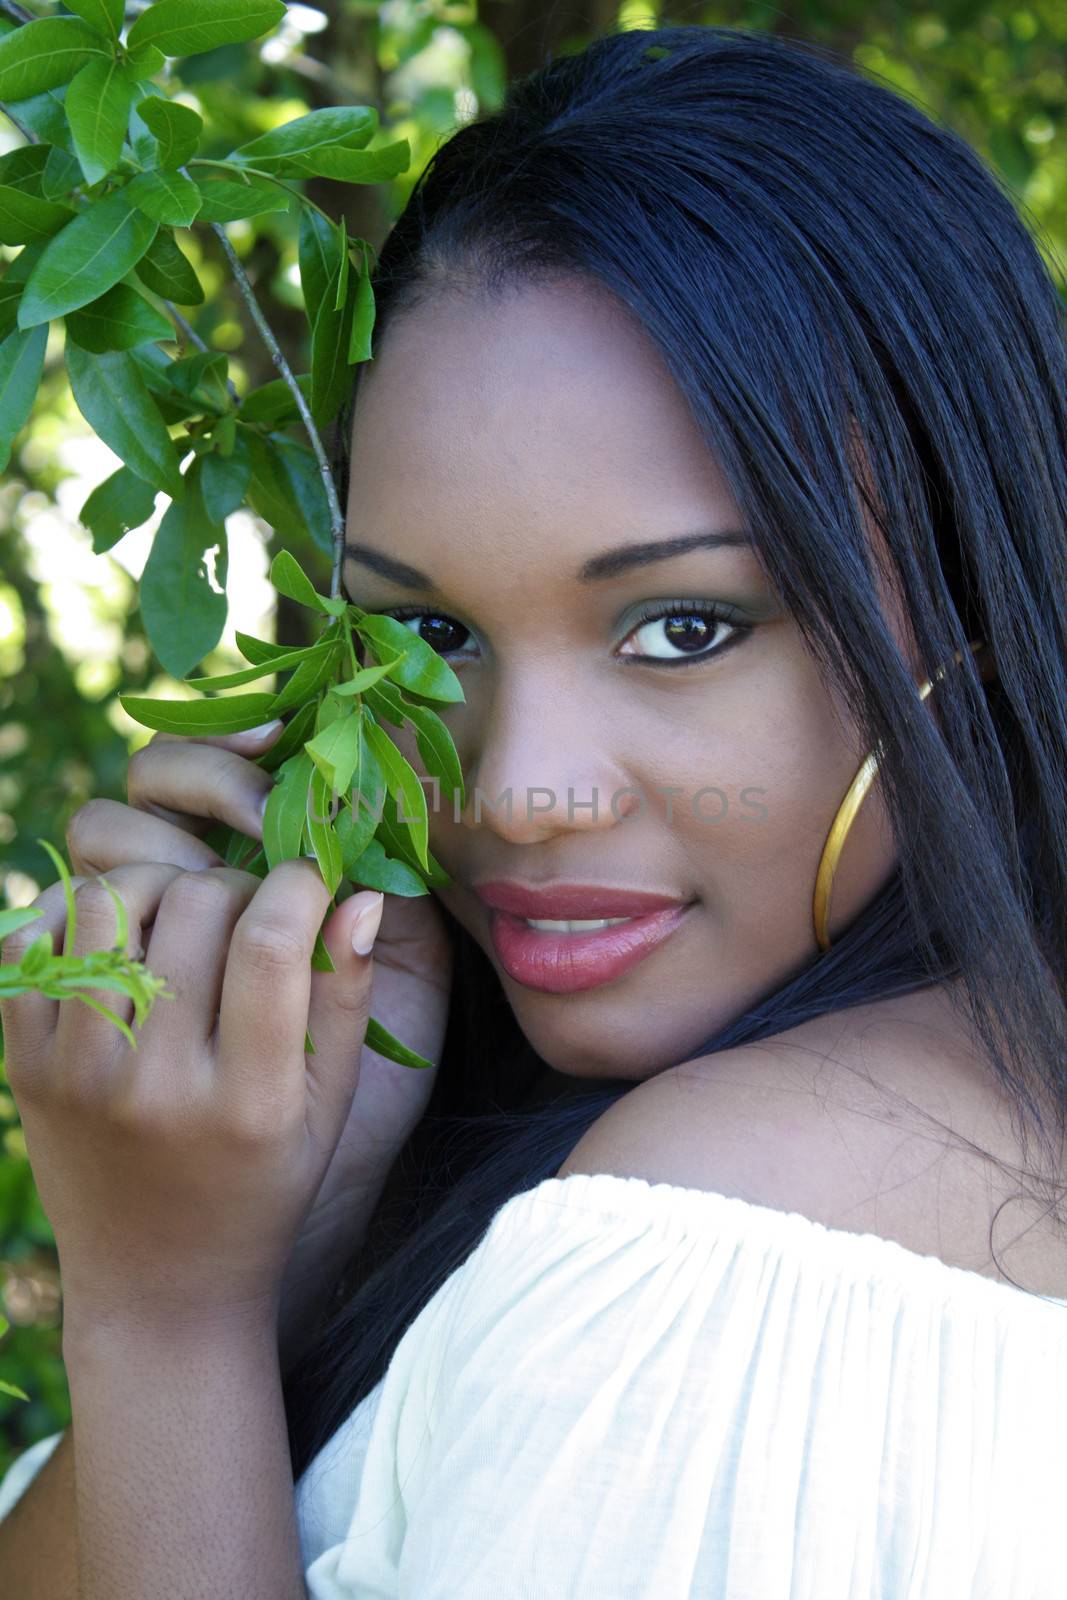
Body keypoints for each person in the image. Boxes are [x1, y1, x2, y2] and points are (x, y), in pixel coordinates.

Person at [2, 21, 1066, 1598]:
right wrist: (283, 1240)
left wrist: (160, 1306)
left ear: (968, 623)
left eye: (685, 629)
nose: (513, 793)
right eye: (431, 636)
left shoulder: (728, 1234)